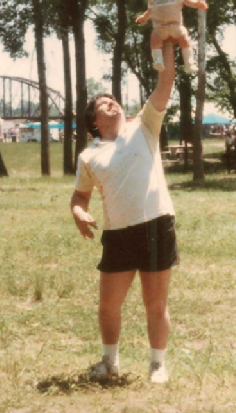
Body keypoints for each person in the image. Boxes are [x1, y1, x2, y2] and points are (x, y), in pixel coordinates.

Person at [70, 45, 179, 384]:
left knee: (155, 303)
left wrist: (166, 44)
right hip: (118, 235)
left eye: (112, 99)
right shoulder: (90, 156)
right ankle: (109, 363)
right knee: (108, 305)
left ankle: (158, 365)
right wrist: (79, 212)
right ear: (95, 122)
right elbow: (79, 196)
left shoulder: (144, 126)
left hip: (157, 224)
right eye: (104, 104)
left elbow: (166, 80)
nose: (112, 102)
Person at [135, 0, 208, 73]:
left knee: (185, 39)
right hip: (159, 28)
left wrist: (196, 4)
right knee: (154, 40)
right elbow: (151, 9)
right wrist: (144, 17)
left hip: (176, 26)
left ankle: (189, 63)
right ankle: (158, 61)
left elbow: (186, 0)